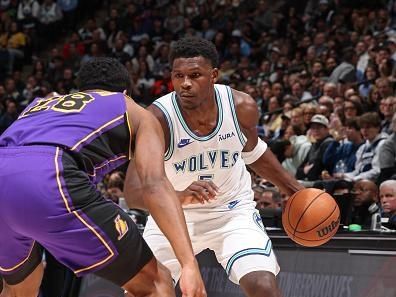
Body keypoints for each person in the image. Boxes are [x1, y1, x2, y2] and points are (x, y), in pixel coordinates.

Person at [0, 57, 206, 297]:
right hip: (49, 175)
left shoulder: (43, 103)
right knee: (156, 282)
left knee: (18, 290)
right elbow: (154, 185)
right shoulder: (131, 108)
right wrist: (189, 263)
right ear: (126, 91)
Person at [125, 37, 303, 297]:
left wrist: (296, 190)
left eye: (195, 75)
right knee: (142, 293)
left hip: (231, 212)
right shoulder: (157, 119)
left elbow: (253, 153)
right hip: (174, 215)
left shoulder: (241, 107)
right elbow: (132, 193)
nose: (185, 84)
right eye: (178, 76)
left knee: (263, 286)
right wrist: (180, 196)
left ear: (214, 75)